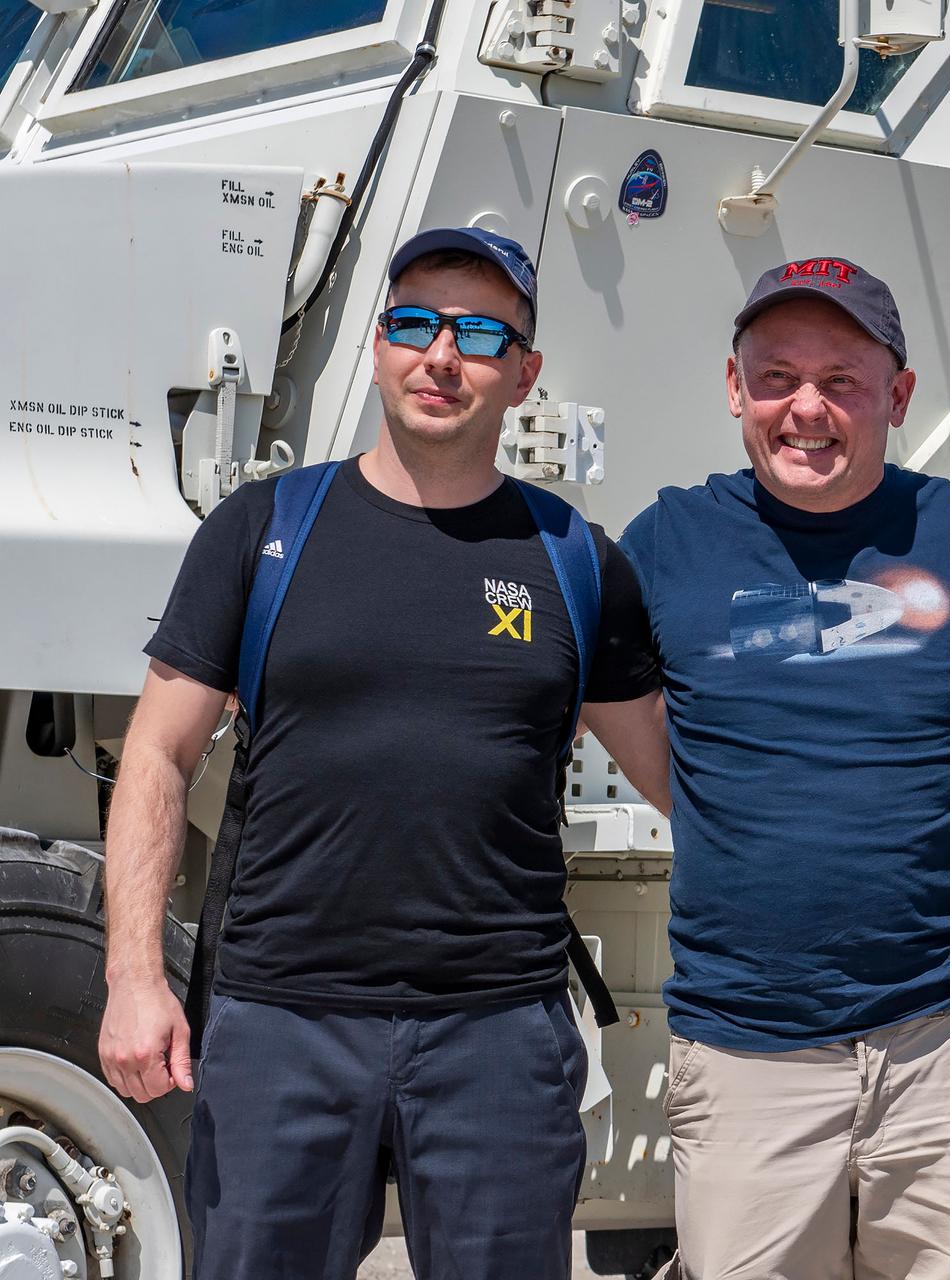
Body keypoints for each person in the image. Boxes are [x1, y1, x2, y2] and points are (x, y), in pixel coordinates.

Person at [98, 227, 670, 1280]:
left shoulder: (576, 560)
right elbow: (157, 755)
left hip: (497, 1030)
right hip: (281, 1022)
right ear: (377, 345)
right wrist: (134, 975)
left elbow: (686, 780)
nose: (440, 355)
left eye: (481, 333)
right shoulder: (265, 525)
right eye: (415, 322)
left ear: (525, 372)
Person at [618, 256, 950, 1280]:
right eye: (776, 377)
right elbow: (642, 736)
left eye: (842, 380)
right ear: (736, 388)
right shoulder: (666, 542)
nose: (805, 407)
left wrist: (923, 824)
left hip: (948, 1041)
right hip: (745, 1049)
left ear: (897, 395)